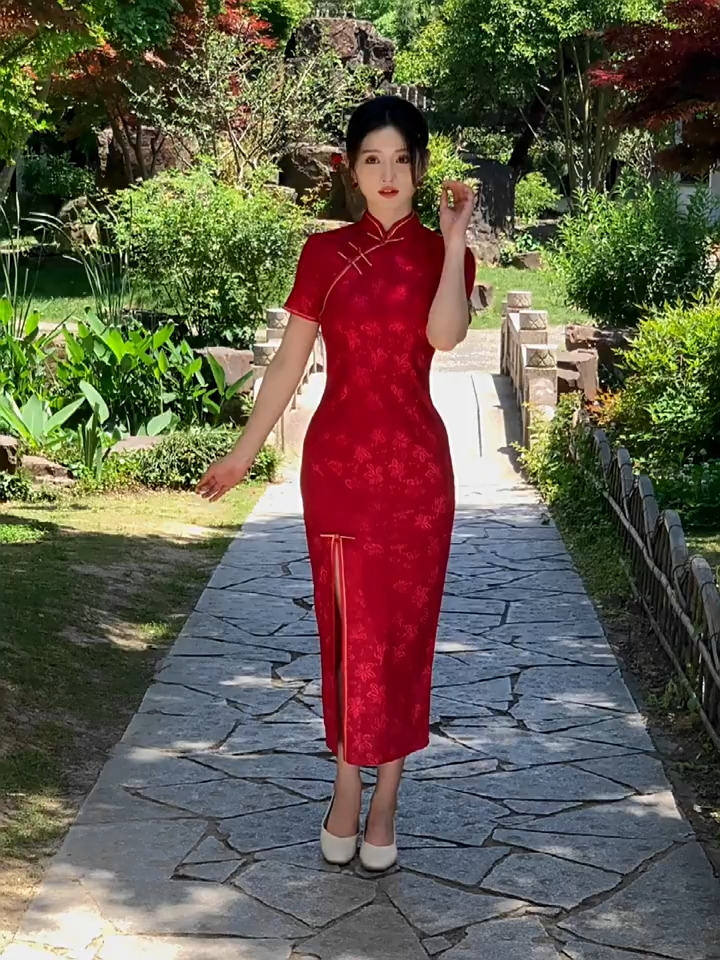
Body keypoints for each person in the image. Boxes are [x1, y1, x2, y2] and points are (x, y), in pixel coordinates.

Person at [197, 95, 475, 872]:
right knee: (350, 630)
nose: (387, 175)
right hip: (340, 471)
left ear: (420, 168)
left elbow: (446, 335)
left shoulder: (443, 253)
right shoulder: (324, 253)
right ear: (351, 171)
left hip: (418, 474)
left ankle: (386, 800)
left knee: (404, 636)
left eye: (401, 160)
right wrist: (244, 453)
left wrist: (455, 240)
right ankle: (348, 784)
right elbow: (290, 361)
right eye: (371, 160)